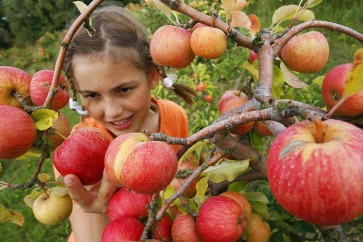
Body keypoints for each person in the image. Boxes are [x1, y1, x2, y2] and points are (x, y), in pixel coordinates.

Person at [54, 3, 195, 242]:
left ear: (152, 76)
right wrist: (98, 207)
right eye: (92, 95)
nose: (112, 111)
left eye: (124, 90)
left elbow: (182, 178)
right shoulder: (79, 153)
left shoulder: (174, 115)